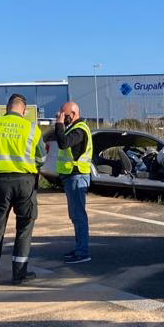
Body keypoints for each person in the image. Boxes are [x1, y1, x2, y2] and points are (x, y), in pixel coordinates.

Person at [0, 94, 46, 283]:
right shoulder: (32, 129)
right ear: (23, 110)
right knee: (24, 228)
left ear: (7, 108)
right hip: (25, 183)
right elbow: (41, 159)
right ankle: (19, 273)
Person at [45, 101, 93, 264]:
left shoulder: (80, 130)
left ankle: (83, 252)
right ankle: (80, 248)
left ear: (73, 113)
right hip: (70, 177)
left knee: (79, 216)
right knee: (75, 216)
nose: (61, 117)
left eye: (64, 115)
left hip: (77, 176)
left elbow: (63, 142)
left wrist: (59, 124)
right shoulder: (73, 128)